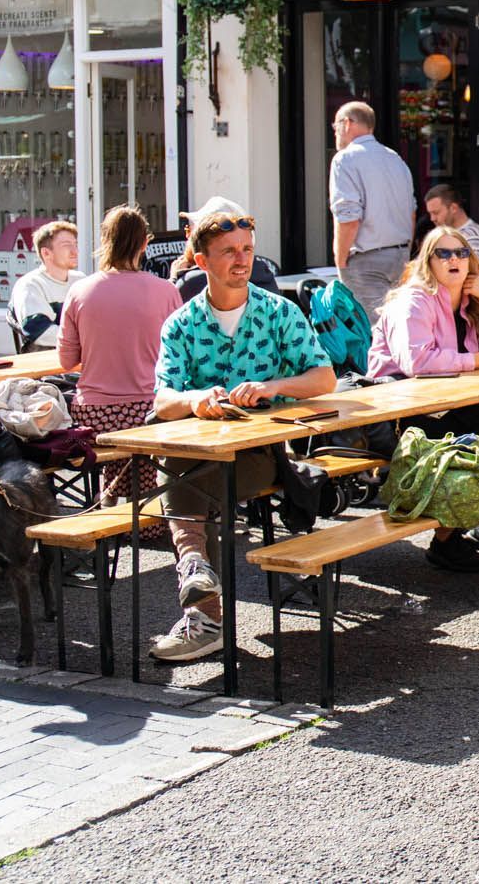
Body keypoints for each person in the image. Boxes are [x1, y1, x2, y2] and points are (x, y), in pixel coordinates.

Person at [147, 213, 337, 662]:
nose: (242, 260)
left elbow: (324, 377)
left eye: (247, 249)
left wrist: (274, 387)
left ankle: (202, 607)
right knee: (179, 465)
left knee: (180, 477)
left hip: (260, 457)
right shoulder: (181, 324)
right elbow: (163, 400)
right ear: (201, 261)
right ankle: (198, 584)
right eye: (229, 251)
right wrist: (195, 400)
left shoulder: (278, 312)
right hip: (198, 458)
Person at [367, 228, 479, 571]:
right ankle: (451, 536)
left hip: (450, 404)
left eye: (462, 253)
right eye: (444, 254)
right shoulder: (414, 300)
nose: (454, 260)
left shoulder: (471, 302)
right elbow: (416, 362)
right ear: (428, 260)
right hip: (402, 414)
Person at [57, 205, 182, 510]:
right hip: (150, 408)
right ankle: (145, 509)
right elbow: (181, 358)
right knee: (153, 433)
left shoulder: (80, 291)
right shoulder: (166, 291)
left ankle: (110, 496)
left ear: (105, 241)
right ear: (144, 243)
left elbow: (66, 360)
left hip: (96, 413)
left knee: (114, 438)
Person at [329, 101, 417, 314]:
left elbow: (349, 217)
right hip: (400, 256)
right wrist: (405, 249)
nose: (335, 133)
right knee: (397, 329)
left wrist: (340, 260)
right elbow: (411, 213)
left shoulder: (345, 159)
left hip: (366, 261)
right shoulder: (395, 158)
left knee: (372, 335)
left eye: (335, 126)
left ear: (347, 123)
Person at [169, 196, 282, 299]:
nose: (188, 237)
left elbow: (166, 307)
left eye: (191, 232)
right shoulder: (263, 271)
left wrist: (175, 278)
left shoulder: (193, 281)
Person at [9, 220, 80, 349]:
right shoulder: (30, 285)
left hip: (83, 355)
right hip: (47, 359)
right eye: (66, 245)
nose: (75, 251)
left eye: (75, 244)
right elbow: (41, 333)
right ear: (46, 253)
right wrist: (86, 337)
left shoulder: (81, 281)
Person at [424, 184, 479, 266]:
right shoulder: (440, 234)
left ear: (453, 208)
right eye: (430, 214)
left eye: (436, 213)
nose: (432, 218)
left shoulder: (473, 236)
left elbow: (474, 272)